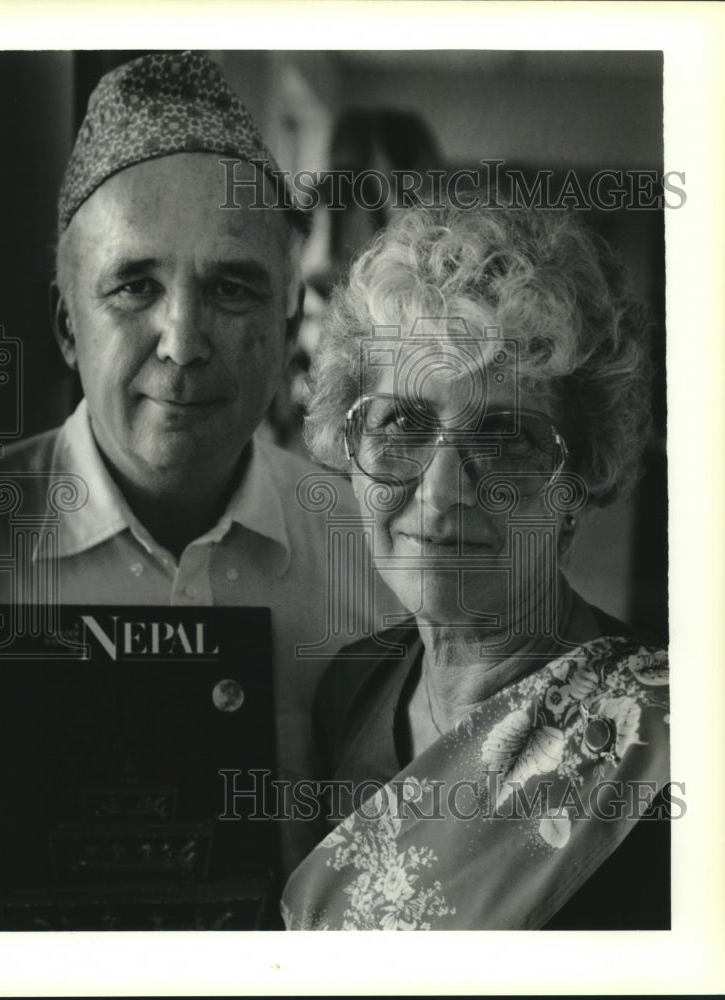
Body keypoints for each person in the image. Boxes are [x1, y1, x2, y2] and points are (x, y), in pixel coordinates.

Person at [0, 51, 394, 879]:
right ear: (68, 325)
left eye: (233, 289)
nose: (183, 343)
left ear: (286, 328)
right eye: (134, 286)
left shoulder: (377, 551)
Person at [281, 202, 671, 929]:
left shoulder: (666, 749)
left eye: (506, 437)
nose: (441, 489)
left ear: (579, 478)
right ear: (348, 444)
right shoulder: (353, 689)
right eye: (402, 422)